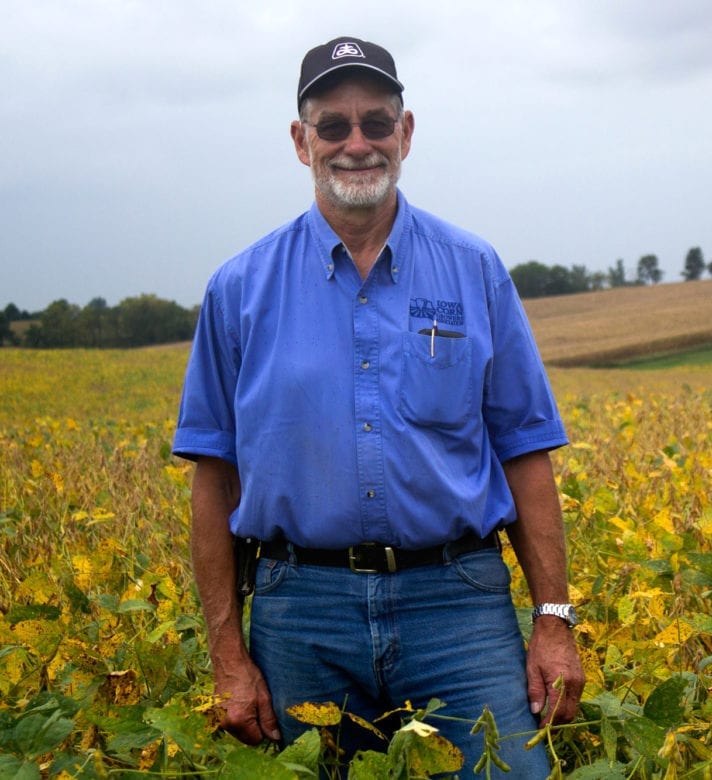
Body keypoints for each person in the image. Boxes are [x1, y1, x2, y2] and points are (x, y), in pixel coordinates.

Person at [173, 35, 584, 776]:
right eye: (334, 125)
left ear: (407, 132)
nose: (356, 143)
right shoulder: (238, 290)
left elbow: (525, 450)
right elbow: (214, 480)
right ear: (301, 142)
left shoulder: (475, 270)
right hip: (302, 610)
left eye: (376, 122)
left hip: (457, 604)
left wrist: (553, 621)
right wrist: (229, 655)